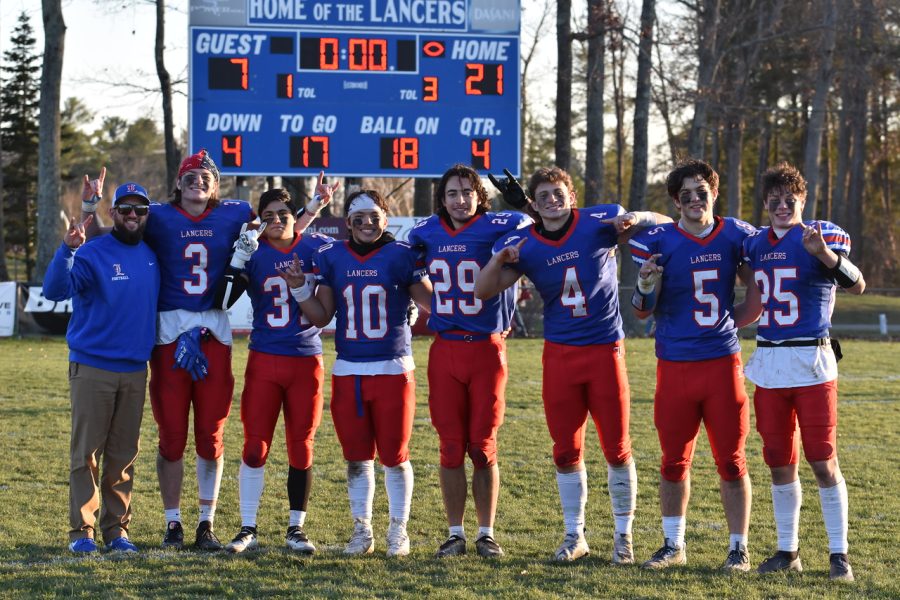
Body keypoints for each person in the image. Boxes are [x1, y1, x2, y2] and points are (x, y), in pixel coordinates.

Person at [81, 152, 335, 551]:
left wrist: (314, 207)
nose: (198, 181)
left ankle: (205, 522)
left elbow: (278, 230)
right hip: (168, 336)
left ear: (215, 185)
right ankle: (172, 523)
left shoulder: (234, 213)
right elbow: (116, 239)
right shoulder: (159, 216)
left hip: (213, 330)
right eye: (190, 176)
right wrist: (89, 209)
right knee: (170, 436)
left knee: (211, 435)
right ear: (178, 183)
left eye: (205, 176)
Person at [475, 166, 668, 564]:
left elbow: (665, 224)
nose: (551, 199)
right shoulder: (523, 243)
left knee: (617, 448)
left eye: (557, 192)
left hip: (604, 350)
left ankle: (623, 536)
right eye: (543, 194)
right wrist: (499, 259)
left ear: (572, 196)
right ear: (535, 201)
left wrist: (639, 218)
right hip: (560, 354)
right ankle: (574, 534)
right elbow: (482, 289)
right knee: (565, 450)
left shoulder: (600, 221)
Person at [627, 158, 760, 572]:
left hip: (721, 363)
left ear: (714, 194)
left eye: (701, 192)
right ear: (675, 201)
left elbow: (754, 302)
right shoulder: (659, 241)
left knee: (732, 460)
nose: (694, 200)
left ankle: (738, 547)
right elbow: (642, 312)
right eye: (685, 195)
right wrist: (647, 284)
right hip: (675, 365)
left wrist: (725, 324)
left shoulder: (735, 235)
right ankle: (673, 544)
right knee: (672, 460)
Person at [289, 189, 432, 557]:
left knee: (395, 455)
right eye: (358, 219)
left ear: (385, 218)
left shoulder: (402, 255)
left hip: (393, 367)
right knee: (356, 456)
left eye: (373, 217)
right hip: (349, 368)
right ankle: (362, 529)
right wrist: (299, 287)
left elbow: (431, 299)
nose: (367, 224)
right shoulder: (332, 257)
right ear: (348, 223)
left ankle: (398, 529)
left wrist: (426, 300)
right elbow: (321, 316)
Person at [742, 163, 864, 582]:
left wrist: (824, 254)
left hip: (812, 364)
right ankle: (787, 549)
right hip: (771, 362)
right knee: (778, 460)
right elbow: (753, 304)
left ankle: (838, 554)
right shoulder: (756, 244)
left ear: (802, 201)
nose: (780, 207)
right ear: (765, 204)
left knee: (822, 459)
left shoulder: (819, 235)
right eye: (773, 201)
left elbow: (857, 284)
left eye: (788, 201)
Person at [406, 164, 531, 558]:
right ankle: (455, 533)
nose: (460, 200)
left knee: (483, 445)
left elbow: (539, 227)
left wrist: (525, 200)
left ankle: (485, 532)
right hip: (445, 347)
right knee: (450, 445)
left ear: (480, 195)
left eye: (466, 192)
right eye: (452, 194)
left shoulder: (503, 223)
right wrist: (434, 307)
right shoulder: (424, 232)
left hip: (486, 348)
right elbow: (408, 271)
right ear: (441, 199)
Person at [212, 189, 333, 554]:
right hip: (264, 356)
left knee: (301, 445)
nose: (277, 219)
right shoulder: (253, 252)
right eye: (269, 214)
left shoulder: (317, 250)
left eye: (283, 213)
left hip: (306, 358)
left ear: (295, 215)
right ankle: (248, 526)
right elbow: (222, 301)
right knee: (254, 444)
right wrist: (237, 260)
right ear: (260, 220)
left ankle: (296, 528)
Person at [45, 182, 160, 554]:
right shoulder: (93, 251)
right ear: (113, 213)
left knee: (124, 455)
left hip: (134, 370)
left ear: (146, 215)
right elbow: (54, 290)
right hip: (92, 366)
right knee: (86, 454)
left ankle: (117, 530)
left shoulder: (152, 255)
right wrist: (67, 249)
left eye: (139, 210)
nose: (132, 215)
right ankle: (82, 530)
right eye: (125, 209)